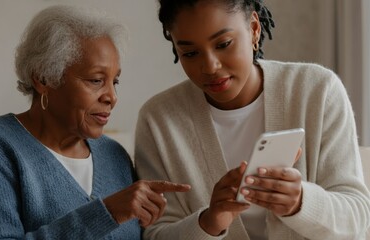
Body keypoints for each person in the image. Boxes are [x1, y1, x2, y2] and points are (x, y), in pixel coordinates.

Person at [0, 5, 190, 240]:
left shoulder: (115, 156)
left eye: (114, 82)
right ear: (43, 78)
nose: (112, 98)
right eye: (95, 80)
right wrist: (107, 213)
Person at [134, 0, 370, 239]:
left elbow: (357, 218)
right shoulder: (158, 120)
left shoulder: (318, 91)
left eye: (224, 44)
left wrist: (300, 202)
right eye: (190, 53)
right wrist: (209, 222)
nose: (210, 66)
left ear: (254, 29)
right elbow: (155, 234)